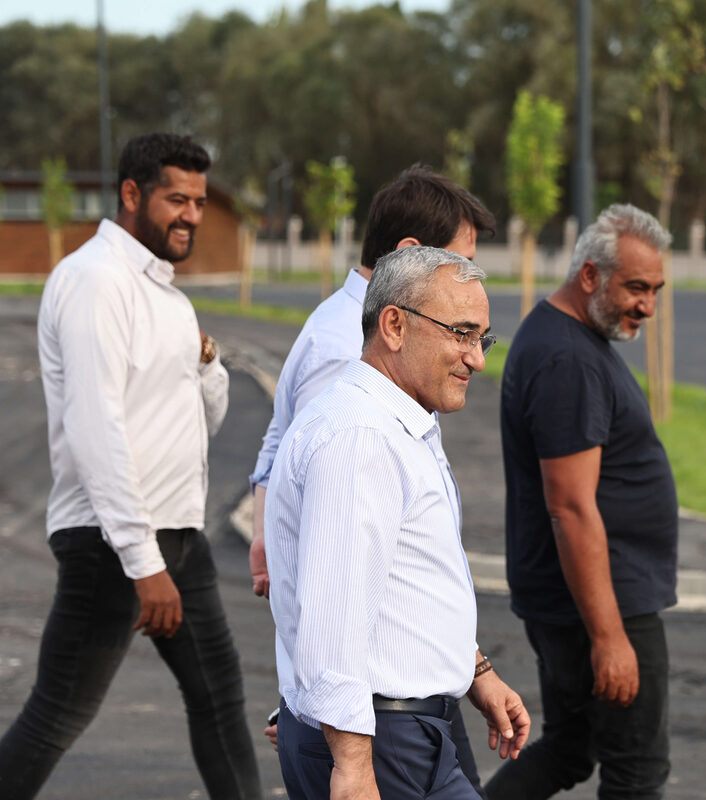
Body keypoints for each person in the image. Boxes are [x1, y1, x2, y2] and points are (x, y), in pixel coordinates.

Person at [0, 133, 261, 799]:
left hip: (177, 533)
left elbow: (201, 424)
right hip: (111, 543)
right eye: (178, 199)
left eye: (200, 202)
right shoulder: (94, 283)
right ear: (131, 194)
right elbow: (96, 430)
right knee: (58, 713)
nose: (193, 216)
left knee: (220, 698)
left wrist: (206, 367)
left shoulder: (168, 297)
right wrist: (143, 564)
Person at [246, 164, 495, 792]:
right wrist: (350, 763)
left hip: (408, 725)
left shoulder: (395, 409)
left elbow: (406, 573)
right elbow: (336, 601)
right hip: (381, 736)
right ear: (394, 325)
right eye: (461, 334)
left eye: (483, 336)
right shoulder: (359, 425)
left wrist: (474, 672)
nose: (477, 357)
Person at [487, 204, 677, 800]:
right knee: (636, 770)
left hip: (579, 599)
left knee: (571, 748)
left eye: (656, 290)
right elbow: (569, 506)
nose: (647, 305)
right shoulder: (567, 358)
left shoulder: (565, 337)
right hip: (598, 604)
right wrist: (608, 637)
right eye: (637, 288)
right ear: (590, 275)